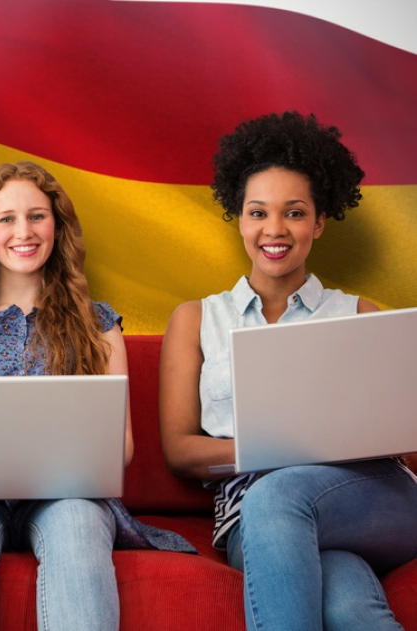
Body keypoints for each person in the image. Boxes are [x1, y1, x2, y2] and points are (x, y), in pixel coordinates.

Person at [0, 161, 194, 631]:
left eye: (37, 216)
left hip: (68, 496)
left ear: (57, 225)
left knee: (77, 520)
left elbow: (121, 449)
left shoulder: (98, 325)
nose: (24, 231)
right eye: (7, 219)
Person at [159, 111, 417, 630]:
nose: (274, 230)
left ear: (319, 223)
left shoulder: (362, 315)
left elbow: (407, 440)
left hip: (373, 499)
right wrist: (282, 449)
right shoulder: (197, 319)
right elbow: (181, 451)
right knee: (347, 601)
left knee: (276, 492)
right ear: (239, 217)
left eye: (295, 213)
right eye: (258, 212)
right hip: (252, 515)